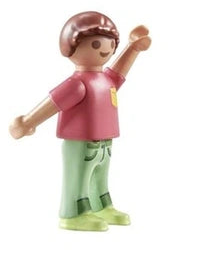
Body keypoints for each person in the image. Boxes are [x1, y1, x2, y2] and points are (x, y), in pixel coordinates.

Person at [9, 12, 151, 231]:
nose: (106, 49)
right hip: (80, 142)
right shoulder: (76, 84)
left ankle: (101, 206)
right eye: (96, 44)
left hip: (105, 141)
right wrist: (28, 121)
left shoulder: (106, 79)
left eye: (111, 43)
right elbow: (54, 103)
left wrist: (133, 48)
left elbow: (119, 71)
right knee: (78, 178)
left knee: (100, 176)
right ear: (71, 47)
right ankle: (73, 213)